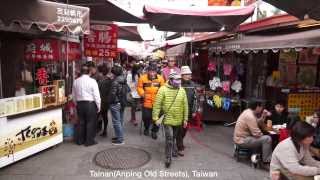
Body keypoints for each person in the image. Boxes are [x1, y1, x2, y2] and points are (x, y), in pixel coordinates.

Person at [152, 71, 188, 168]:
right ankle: (168, 157)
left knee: (173, 137)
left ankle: (172, 149)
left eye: (179, 80)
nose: (178, 82)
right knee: (169, 138)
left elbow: (185, 105)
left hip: (178, 119)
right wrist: (155, 118)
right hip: (167, 119)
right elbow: (157, 105)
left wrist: (185, 119)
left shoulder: (182, 90)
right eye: (176, 80)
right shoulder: (162, 89)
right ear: (170, 80)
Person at [233, 99, 272, 164]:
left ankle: (262, 155)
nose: (262, 108)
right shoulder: (250, 116)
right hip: (242, 140)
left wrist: (264, 115)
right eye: (261, 107)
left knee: (265, 137)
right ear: (257, 107)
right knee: (267, 139)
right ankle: (267, 160)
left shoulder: (248, 111)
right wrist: (265, 135)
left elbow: (258, 122)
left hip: (241, 138)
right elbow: (257, 134)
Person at [72, 64, 101, 146]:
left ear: (81, 72)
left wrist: (76, 103)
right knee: (90, 122)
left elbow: (73, 95)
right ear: (89, 72)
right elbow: (96, 96)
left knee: (81, 122)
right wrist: (99, 106)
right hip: (90, 104)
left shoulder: (76, 81)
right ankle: (89, 141)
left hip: (80, 104)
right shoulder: (92, 81)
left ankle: (80, 140)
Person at [137, 64, 165, 138]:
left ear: (156, 72)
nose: (152, 73)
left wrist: (161, 96)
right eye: (150, 71)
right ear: (148, 71)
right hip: (146, 101)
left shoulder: (160, 78)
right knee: (146, 117)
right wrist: (142, 94)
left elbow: (163, 88)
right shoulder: (142, 78)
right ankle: (146, 128)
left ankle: (154, 131)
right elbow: (139, 87)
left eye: (154, 71)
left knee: (157, 118)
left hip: (157, 102)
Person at [176, 66, 198, 156]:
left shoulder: (193, 85)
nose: (188, 76)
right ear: (182, 75)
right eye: (186, 74)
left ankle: (178, 141)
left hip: (188, 110)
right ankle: (179, 146)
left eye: (189, 74)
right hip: (178, 110)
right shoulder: (177, 84)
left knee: (185, 128)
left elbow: (195, 99)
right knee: (180, 128)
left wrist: (194, 110)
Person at [108, 65, 127, 145]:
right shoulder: (123, 79)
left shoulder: (115, 82)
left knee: (116, 122)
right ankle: (119, 136)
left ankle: (120, 139)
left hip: (115, 103)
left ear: (114, 73)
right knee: (120, 121)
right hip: (122, 102)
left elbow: (112, 94)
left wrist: (109, 101)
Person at [98, 65, 113, 137]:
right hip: (105, 101)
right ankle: (104, 130)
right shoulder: (108, 80)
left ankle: (102, 129)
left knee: (102, 115)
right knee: (104, 115)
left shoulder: (103, 80)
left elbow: (101, 91)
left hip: (102, 100)